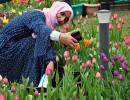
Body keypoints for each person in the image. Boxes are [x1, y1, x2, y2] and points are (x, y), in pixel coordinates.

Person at [0, 1, 77, 87]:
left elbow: (43, 40)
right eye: (62, 14)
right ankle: (32, 85)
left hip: (14, 52)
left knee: (42, 47)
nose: (62, 19)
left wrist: (51, 60)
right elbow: (40, 29)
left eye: (66, 19)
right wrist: (60, 37)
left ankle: (44, 83)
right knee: (35, 42)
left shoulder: (48, 25)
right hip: (4, 50)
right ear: (56, 9)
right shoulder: (36, 15)